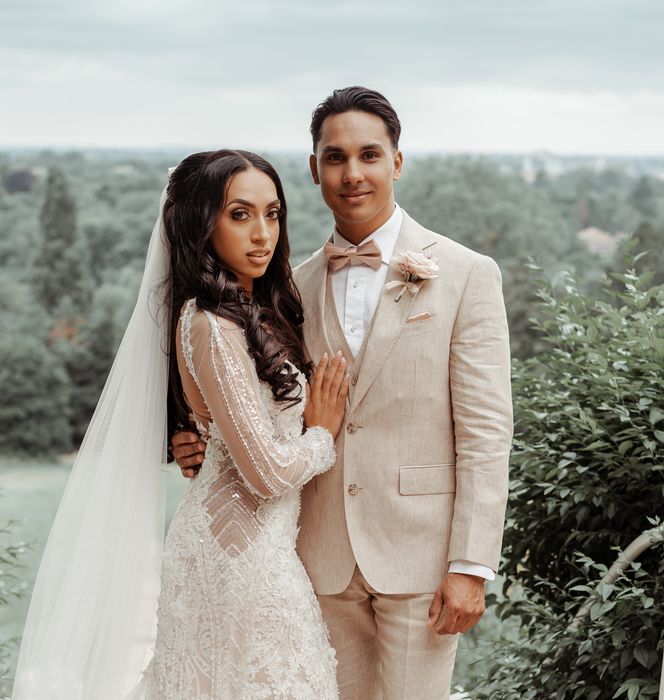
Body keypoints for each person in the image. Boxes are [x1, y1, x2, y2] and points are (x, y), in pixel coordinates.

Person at [173, 87, 514, 700]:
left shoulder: (467, 274)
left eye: (369, 155)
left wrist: (470, 566)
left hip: (421, 557)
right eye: (335, 158)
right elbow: (229, 374)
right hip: (314, 558)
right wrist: (188, 429)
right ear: (314, 170)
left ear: (397, 162)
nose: (352, 174)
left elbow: (488, 433)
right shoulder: (286, 286)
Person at [12, 150, 348, 700]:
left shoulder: (247, 310)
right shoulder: (211, 325)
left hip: (254, 552)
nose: (262, 233)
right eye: (239, 215)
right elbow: (263, 472)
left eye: (273, 213)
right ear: (200, 223)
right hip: (236, 561)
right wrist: (321, 433)